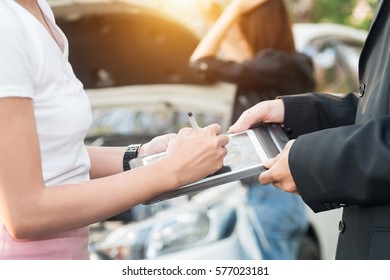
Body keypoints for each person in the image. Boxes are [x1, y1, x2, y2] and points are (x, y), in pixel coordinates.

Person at [0, 0, 229, 260]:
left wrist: (139, 156)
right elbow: (26, 213)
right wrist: (170, 170)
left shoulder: (39, 10)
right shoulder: (5, 26)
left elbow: (52, 155)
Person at [229, 0, 390, 260]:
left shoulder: (274, 65)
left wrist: (309, 160)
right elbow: (373, 110)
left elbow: (202, 65)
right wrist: (296, 111)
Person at [189, 0, 315, 259]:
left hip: (270, 190)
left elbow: (201, 62)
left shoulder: (273, 65)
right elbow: (238, 58)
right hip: (282, 188)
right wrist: (220, 16)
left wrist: (233, 11)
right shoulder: (286, 65)